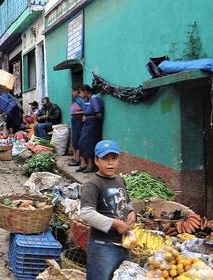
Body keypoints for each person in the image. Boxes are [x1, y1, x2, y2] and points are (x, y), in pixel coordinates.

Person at [78, 140, 136, 280]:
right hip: (103, 246)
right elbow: (86, 213)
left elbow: (126, 202)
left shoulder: (119, 180)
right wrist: (115, 223)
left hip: (123, 243)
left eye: (114, 158)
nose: (110, 163)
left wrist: (131, 212)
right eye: (105, 159)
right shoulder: (93, 184)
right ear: (96, 161)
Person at [78, 85, 104, 173]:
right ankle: (84, 163)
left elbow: (98, 113)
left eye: (80, 92)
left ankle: (90, 165)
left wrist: (92, 120)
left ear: (85, 91)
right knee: (82, 142)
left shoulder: (94, 98)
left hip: (92, 124)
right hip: (87, 123)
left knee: (89, 144)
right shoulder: (87, 100)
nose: (80, 94)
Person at [68, 87, 85, 166]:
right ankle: (75, 157)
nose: (72, 93)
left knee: (77, 139)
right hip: (75, 121)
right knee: (74, 139)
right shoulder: (77, 100)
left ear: (77, 91)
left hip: (78, 121)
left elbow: (85, 110)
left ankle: (78, 159)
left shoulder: (80, 100)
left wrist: (77, 112)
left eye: (73, 91)